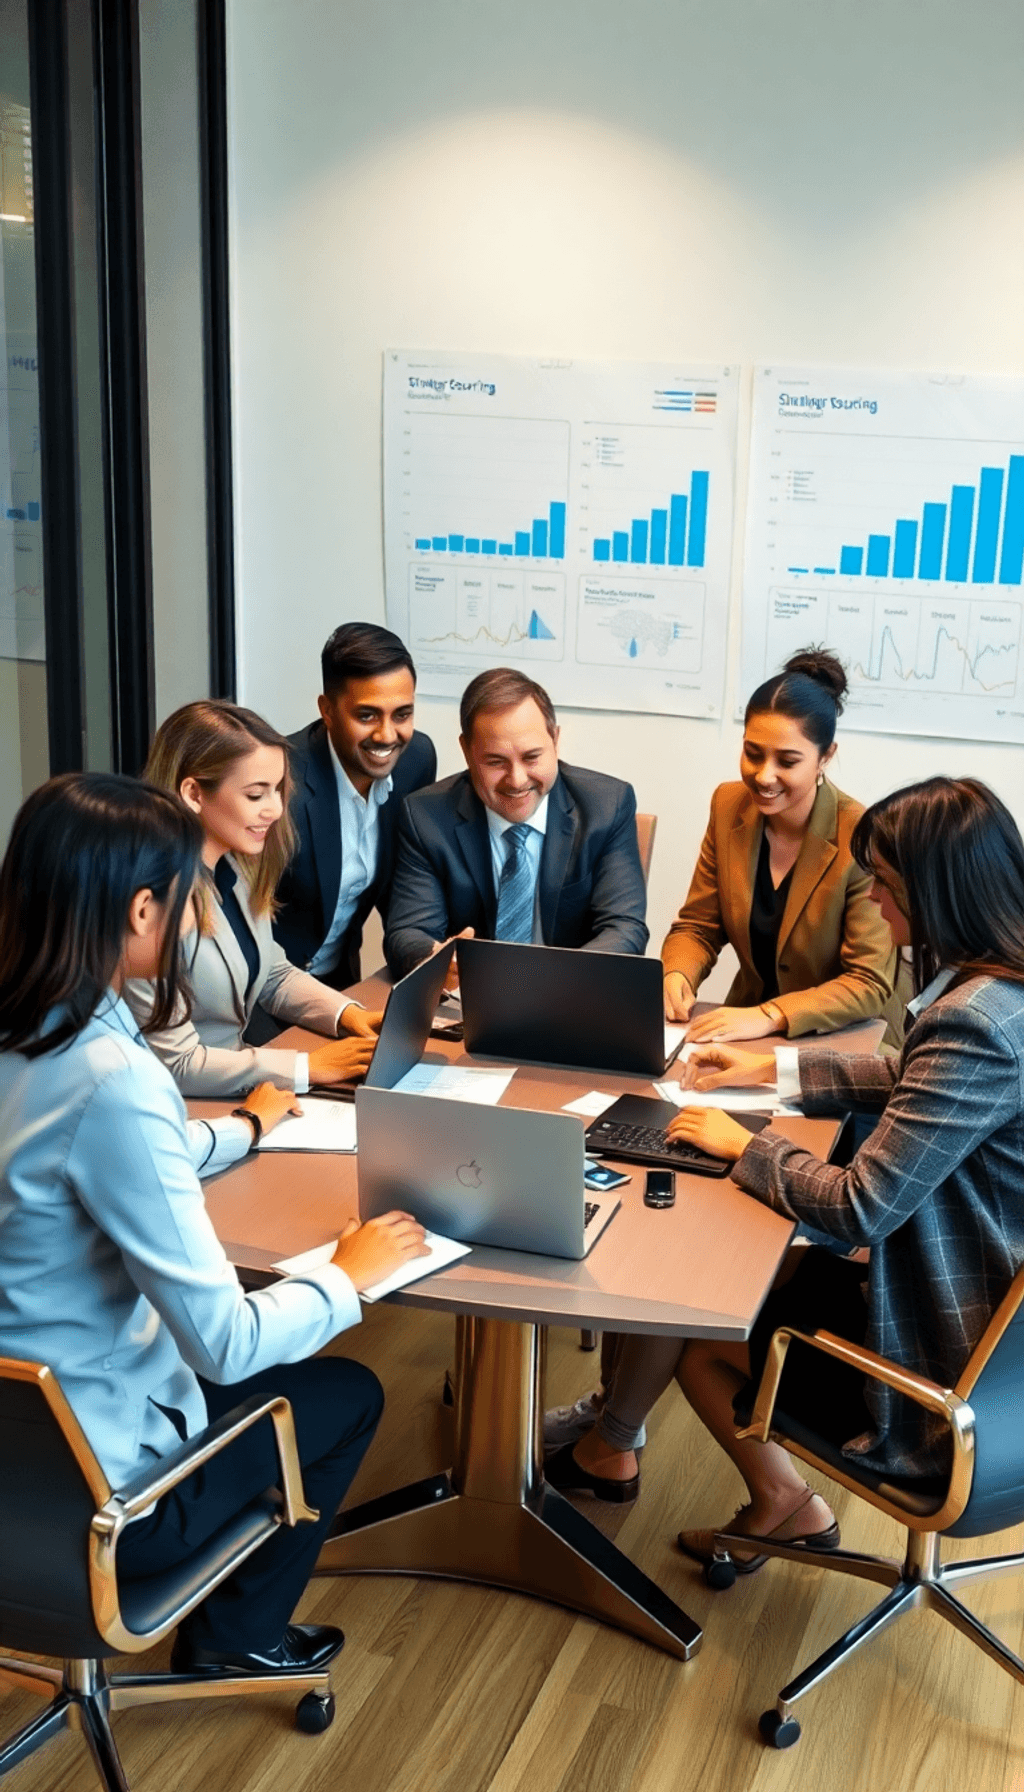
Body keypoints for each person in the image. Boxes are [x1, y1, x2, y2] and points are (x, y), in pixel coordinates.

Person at [0, 772, 428, 1674]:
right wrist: (345, 1274)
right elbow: (225, 1346)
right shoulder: (111, 1073)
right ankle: (237, 1644)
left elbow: (78, 1165)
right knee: (346, 1393)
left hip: (15, 1458)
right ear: (143, 910)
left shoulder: (28, 1032)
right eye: (189, 898)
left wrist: (242, 1129)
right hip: (104, 1505)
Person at [546, 777, 1024, 1564]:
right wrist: (774, 1073)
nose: (873, 898)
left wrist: (746, 1146)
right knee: (725, 1281)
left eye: (888, 884)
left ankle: (768, 1496)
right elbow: (916, 1081)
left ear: (939, 893)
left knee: (707, 1322)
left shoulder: (972, 1024)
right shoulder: (1000, 993)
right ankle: (729, 1483)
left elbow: (861, 1207)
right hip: (1001, 1349)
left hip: (944, 1374)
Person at [124, 700, 382, 1097]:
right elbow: (175, 1063)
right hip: (186, 1102)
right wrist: (306, 1067)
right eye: (256, 794)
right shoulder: (150, 907)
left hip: (239, 1089)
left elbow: (272, 973)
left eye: (278, 790)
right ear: (193, 792)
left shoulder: (236, 867)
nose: (276, 810)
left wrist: (346, 1013)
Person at [662, 648, 904, 1047]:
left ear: (825, 757)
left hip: (846, 1039)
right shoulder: (727, 806)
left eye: (787, 761)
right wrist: (677, 975)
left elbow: (868, 981)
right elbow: (699, 926)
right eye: (752, 754)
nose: (763, 776)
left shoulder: (863, 835)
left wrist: (771, 1015)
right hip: (750, 1029)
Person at [383, 667, 648, 978]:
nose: (517, 780)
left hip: (573, 995)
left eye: (532, 757)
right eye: (496, 762)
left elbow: (624, 928)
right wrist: (436, 958)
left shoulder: (607, 805)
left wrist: (554, 981)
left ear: (555, 739)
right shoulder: (425, 817)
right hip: (469, 999)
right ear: (467, 752)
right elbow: (408, 932)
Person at [274, 622, 437, 985]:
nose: (387, 735)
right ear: (327, 711)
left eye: (402, 714)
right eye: (366, 716)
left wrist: (428, 950)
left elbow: (406, 879)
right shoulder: (281, 781)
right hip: (262, 991)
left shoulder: (416, 760)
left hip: (340, 981)